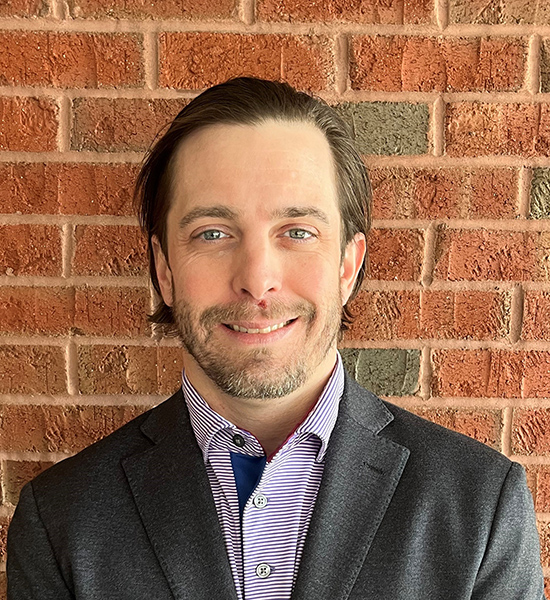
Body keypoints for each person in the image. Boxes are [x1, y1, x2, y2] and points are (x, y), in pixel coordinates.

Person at [7, 77, 544, 599]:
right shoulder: (61, 522)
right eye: (212, 233)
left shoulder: (479, 507)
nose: (257, 279)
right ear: (164, 270)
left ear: (347, 265)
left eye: (297, 232)